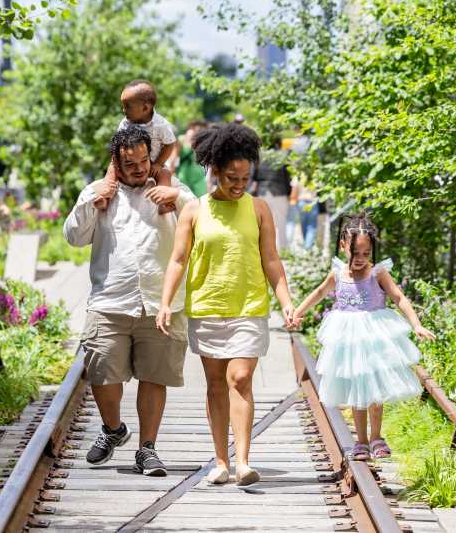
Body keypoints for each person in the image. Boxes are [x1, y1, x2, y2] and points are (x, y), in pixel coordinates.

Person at [155, 123, 295, 486]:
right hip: (207, 307)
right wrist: (166, 302)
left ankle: (243, 461)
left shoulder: (259, 209)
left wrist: (286, 302)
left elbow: (271, 261)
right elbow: (178, 260)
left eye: (245, 177)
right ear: (214, 170)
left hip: (249, 307)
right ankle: (221, 460)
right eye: (232, 176)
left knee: (241, 377)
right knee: (216, 385)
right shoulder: (194, 211)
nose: (239, 184)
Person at [63, 126, 195, 476]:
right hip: (110, 302)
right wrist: (94, 200)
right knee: (101, 373)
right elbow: (74, 237)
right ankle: (113, 429)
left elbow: (200, 218)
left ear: (150, 157)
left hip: (160, 303)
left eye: (142, 160)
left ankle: (147, 449)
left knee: (155, 376)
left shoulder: (172, 188)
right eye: (129, 163)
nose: (138, 168)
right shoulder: (99, 192)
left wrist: (176, 197)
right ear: (116, 164)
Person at [291, 212, 436, 461]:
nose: (360, 259)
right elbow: (318, 292)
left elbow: (399, 297)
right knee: (357, 388)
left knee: (374, 389)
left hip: (374, 335)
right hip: (348, 338)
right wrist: (297, 312)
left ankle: (377, 436)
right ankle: (360, 440)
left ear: (372, 251)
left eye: (366, 254)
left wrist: (416, 324)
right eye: (355, 253)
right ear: (343, 246)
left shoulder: (377, 273)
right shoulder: (338, 274)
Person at [94, 80, 178, 214]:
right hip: (128, 161)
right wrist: (117, 163)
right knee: (111, 170)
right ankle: (105, 197)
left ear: (145, 108)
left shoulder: (160, 125)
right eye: (123, 105)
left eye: (127, 106)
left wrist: (158, 163)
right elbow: (117, 143)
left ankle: (163, 202)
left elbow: (170, 143)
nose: (123, 110)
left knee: (165, 174)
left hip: (153, 162)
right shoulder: (125, 123)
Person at [250, 145, 292, 251]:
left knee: (262, 223)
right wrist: (288, 193)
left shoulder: (259, 155)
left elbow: (253, 176)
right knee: (281, 223)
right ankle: (283, 249)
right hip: (279, 192)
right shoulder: (283, 155)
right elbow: (287, 177)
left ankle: (262, 248)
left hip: (262, 192)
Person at [173, 120, 209, 197]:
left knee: (200, 204)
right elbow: (174, 158)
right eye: (196, 129)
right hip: (183, 179)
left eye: (201, 130)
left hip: (199, 179)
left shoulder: (203, 143)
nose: (198, 132)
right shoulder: (181, 140)